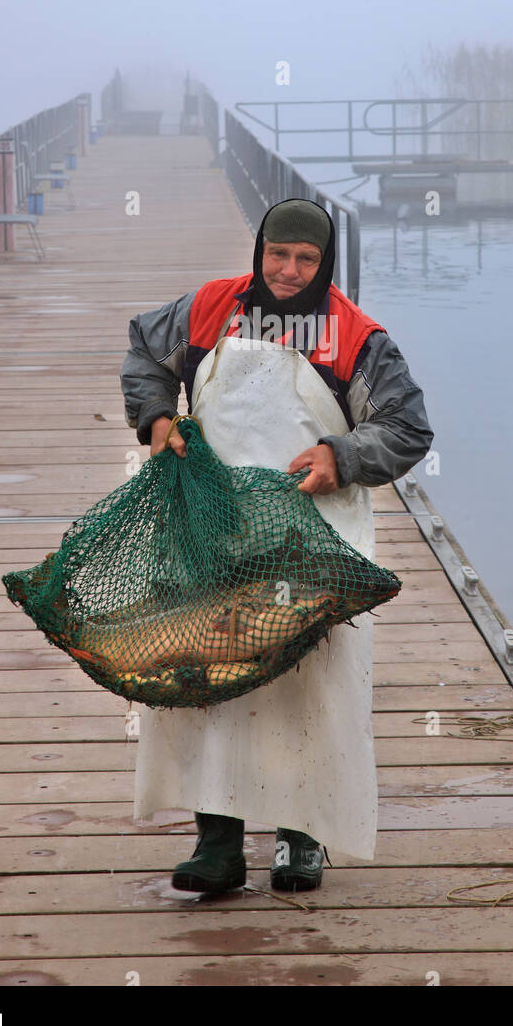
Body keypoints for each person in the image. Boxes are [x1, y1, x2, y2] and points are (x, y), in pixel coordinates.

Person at [119, 197, 433, 893]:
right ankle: (217, 846)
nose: (288, 272)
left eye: (305, 259)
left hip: (314, 533)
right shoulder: (206, 308)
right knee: (207, 681)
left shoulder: (357, 337)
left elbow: (406, 428)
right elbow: (145, 351)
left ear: (325, 264)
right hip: (212, 527)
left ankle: (302, 837)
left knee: (309, 686)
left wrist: (340, 456)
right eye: (277, 256)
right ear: (258, 251)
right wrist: (158, 416)